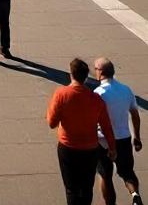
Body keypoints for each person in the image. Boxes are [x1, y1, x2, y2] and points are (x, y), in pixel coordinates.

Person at [47, 57, 115, 205]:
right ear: (86, 77)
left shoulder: (61, 94)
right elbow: (106, 126)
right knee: (86, 188)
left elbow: (52, 123)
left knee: (71, 188)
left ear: (71, 75)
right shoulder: (96, 99)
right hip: (90, 150)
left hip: (68, 147)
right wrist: (112, 147)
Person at [93, 57, 144, 205]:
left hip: (103, 141)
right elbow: (135, 115)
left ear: (100, 72)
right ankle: (135, 195)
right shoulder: (126, 90)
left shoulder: (98, 93)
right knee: (128, 173)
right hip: (124, 138)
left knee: (105, 175)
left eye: (95, 69)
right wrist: (137, 137)